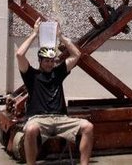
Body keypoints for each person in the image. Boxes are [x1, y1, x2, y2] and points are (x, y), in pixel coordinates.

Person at [16, 17, 93, 165]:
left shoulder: (58, 72)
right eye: (46, 61)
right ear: (40, 61)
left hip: (61, 119)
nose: (50, 64)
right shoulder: (31, 75)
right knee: (31, 129)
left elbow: (76, 55)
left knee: (88, 127)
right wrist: (34, 33)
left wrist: (60, 36)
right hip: (38, 119)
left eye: (52, 61)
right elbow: (19, 54)